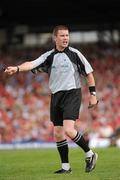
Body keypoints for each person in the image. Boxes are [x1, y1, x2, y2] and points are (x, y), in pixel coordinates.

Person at [5, 25, 98, 174]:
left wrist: (93, 95)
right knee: (58, 133)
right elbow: (31, 64)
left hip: (72, 93)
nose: (65, 38)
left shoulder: (75, 54)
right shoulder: (49, 56)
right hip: (56, 95)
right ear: (55, 38)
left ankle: (90, 154)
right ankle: (66, 168)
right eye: (62, 36)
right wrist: (16, 68)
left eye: (67, 35)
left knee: (68, 130)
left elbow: (89, 74)